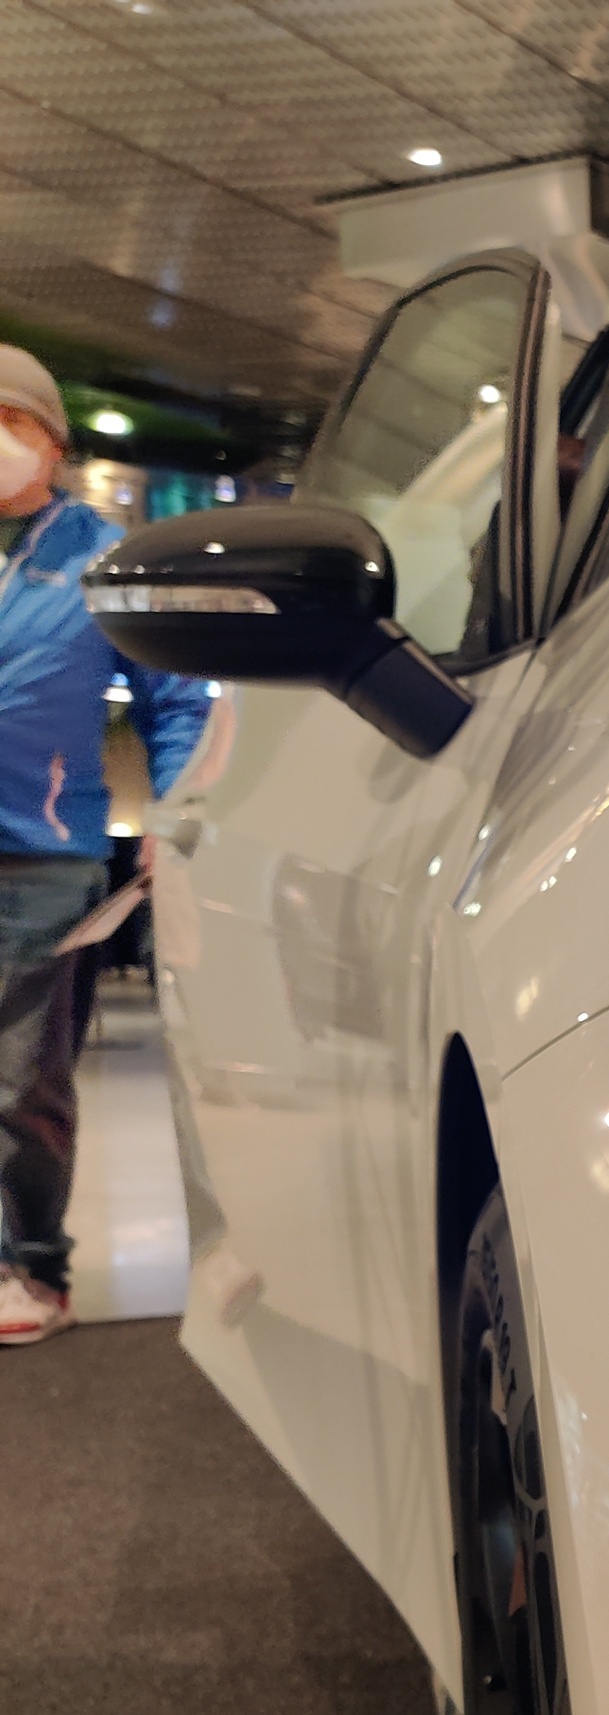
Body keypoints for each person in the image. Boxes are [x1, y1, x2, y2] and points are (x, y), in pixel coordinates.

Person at [0, 346, 212, 1345]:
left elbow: (180, 699)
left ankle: (31, 1265)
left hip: (44, 854)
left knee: (21, 1076)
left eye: (12, 422)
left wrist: (174, 812)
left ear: (53, 443)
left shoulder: (105, 561)